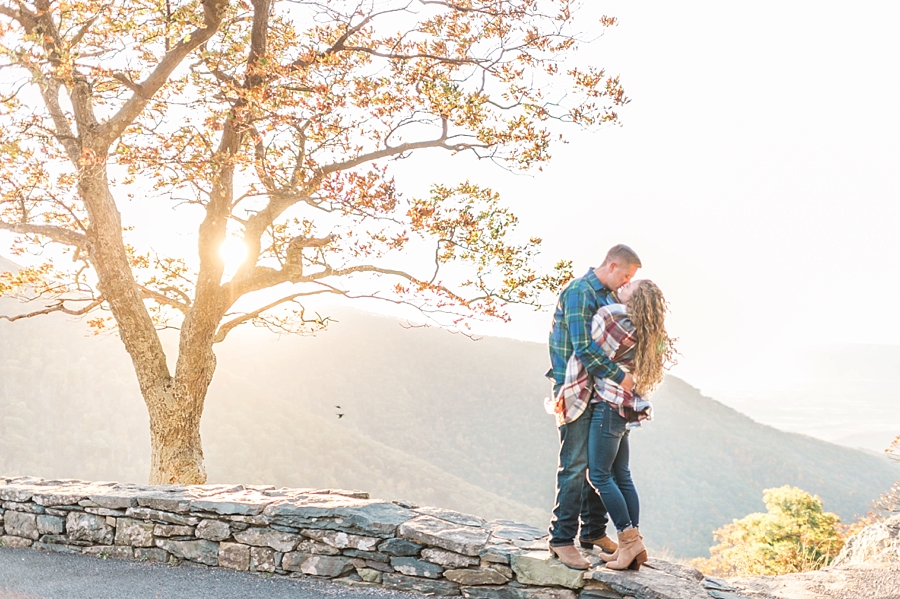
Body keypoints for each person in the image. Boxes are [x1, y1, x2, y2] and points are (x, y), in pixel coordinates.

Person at [545, 244, 642, 570]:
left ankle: (593, 534)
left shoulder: (608, 297)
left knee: (597, 464)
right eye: (626, 275)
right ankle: (561, 539)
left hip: (598, 390)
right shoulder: (579, 291)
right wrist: (620, 376)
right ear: (612, 265)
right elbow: (583, 346)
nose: (626, 281)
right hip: (573, 388)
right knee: (574, 464)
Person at [585, 279, 675, 570]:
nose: (623, 286)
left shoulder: (616, 320)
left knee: (599, 475)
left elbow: (590, 350)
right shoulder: (645, 329)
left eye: (629, 287)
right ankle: (634, 544)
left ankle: (628, 540)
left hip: (609, 406)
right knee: (621, 475)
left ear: (635, 300)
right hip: (626, 406)